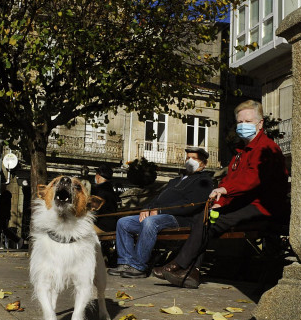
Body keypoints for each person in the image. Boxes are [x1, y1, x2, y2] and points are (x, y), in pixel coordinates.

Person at [157, 100, 290, 288]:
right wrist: (222, 201)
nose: (243, 126)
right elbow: (230, 179)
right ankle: (191, 272)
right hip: (247, 204)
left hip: (264, 206)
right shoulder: (241, 152)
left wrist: (225, 191)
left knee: (213, 222)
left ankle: (179, 265)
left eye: (248, 121)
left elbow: (253, 178)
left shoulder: (267, 148)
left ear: (260, 124)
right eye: (240, 122)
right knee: (204, 219)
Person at [109, 147, 213, 278]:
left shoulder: (204, 181)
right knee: (123, 222)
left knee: (150, 222)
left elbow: (191, 205)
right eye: (188, 158)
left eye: (194, 158)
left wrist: (159, 211)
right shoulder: (175, 181)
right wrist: (147, 208)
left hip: (180, 219)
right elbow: (157, 199)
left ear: (203, 163)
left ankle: (139, 266)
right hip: (160, 216)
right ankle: (126, 262)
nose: (190, 161)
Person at [91, 164, 120, 233]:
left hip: (102, 227)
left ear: (98, 176)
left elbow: (92, 210)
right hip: (111, 225)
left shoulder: (97, 190)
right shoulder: (110, 189)